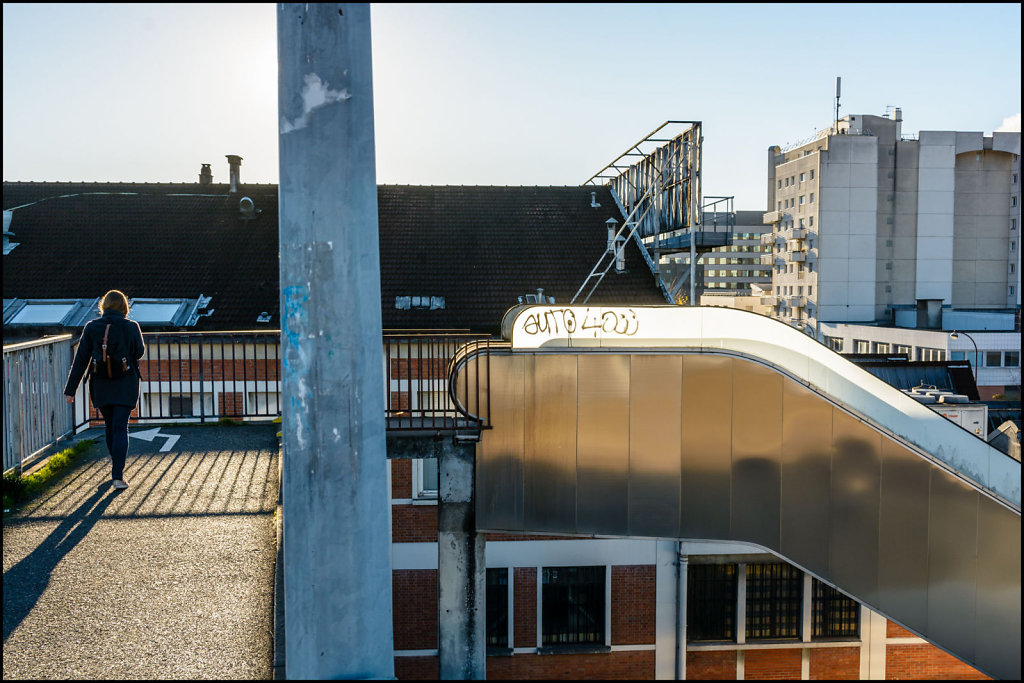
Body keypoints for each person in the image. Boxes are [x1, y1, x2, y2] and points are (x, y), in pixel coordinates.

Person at [64, 290, 145, 490]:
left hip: (101, 384)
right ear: (125, 308)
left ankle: (115, 466)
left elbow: (81, 360)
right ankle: (118, 476)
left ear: (103, 306)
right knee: (120, 427)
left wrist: (70, 390)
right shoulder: (131, 326)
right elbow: (139, 352)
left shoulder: (91, 327)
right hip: (126, 384)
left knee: (110, 426)